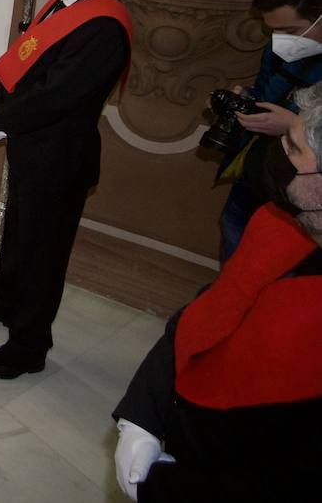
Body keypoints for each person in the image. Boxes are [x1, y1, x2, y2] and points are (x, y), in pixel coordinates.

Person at [110, 81, 322, 502]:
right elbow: (203, 312)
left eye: (294, 149)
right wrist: (141, 417)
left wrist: (164, 490)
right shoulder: (280, 225)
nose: (280, 157)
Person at [0, 0, 133, 379]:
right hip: (32, 146)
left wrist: (4, 118)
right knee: (17, 231)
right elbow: (23, 60)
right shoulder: (64, 3)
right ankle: (5, 301)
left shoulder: (103, 24)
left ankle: (29, 345)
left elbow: (60, 93)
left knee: (43, 252)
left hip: (60, 156)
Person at [214, 0, 322, 260]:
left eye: (290, 31)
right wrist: (248, 101)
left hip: (308, 195)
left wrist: (294, 126)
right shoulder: (279, 49)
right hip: (257, 174)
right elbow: (267, 89)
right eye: (273, 30)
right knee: (235, 238)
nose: (280, 40)